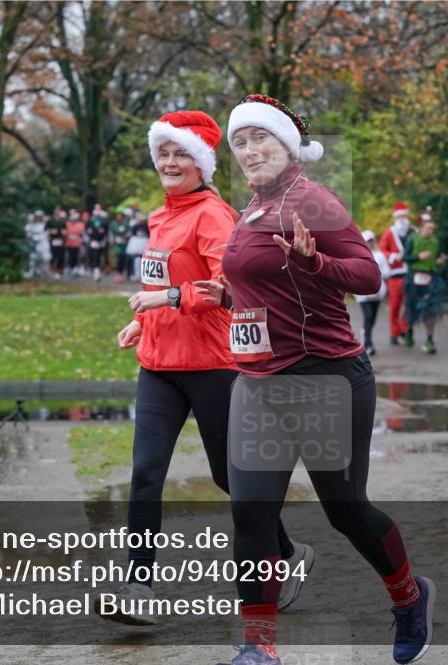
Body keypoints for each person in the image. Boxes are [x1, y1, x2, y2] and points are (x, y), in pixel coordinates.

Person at [198, 94, 435, 665]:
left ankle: (409, 598)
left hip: (325, 379)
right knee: (251, 511)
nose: (251, 150)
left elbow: (367, 275)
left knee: (346, 510)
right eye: (241, 142)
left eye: (261, 139)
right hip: (257, 383)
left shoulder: (312, 198)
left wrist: (315, 265)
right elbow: (266, 283)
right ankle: (260, 647)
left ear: (286, 144)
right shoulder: (253, 207)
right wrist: (231, 295)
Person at [103, 110, 310, 626]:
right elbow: (161, 288)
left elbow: (231, 290)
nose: (170, 163)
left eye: (181, 155)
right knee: (146, 474)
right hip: (160, 367)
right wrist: (145, 325)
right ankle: (140, 588)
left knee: (229, 478)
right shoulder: (158, 217)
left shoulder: (214, 216)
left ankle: (286, 554)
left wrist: (170, 297)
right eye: (164, 154)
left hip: (214, 367)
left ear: (201, 164)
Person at [403, 208, 447, 353]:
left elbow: (438, 258)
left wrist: (440, 261)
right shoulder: (412, 239)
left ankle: (429, 339)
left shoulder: (436, 241)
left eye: (432, 229)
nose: (430, 231)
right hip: (414, 277)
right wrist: (418, 257)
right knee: (411, 306)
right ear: (421, 226)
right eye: (428, 228)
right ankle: (409, 332)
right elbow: (405, 258)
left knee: (431, 308)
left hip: (431, 278)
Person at [378, 203, 413, 344]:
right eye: (400, 216)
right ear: (396, 218)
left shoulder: (413, 232)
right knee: (395, 305)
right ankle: (394, 333)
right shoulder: (389, 232)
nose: (403, 219)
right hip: (395, 274)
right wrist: (392, 256)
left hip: (410, 273)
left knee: (408, 305)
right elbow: (381, 249)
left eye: (405, 216)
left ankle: (405, 330)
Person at [355, 229, 390, 355]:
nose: (369, 243)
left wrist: (377, 271)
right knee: (368, 316)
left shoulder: (379, 255)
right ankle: (368, 345)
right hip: (363, 294)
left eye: (370, 241)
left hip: (377, 293)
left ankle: (365, 332)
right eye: (366, 241)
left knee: (372, 319)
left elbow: (387, 272)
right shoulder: (356, 255)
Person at [23, 210, 50, 278]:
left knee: (46, 258)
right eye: (37, 216)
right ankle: (31, 272)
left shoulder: (45, 225)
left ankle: (43, 272)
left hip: (43, 243)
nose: (38, 218)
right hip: (34, 244)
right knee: (33, 258)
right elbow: (27, 233)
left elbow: (47, 234)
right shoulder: (30, 225)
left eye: (39, 216)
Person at [85, 206, 109, 281]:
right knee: (94, 255)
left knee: (100, 256)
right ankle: (95, 270)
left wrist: (103, 235)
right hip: (93, 240)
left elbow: (106, 230)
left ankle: (97, 270)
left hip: (101, 241)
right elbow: (87, 230)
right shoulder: (90, 221)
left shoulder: (104, 221)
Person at [64, 208, 85, 277]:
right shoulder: (67, 224)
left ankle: (76, 268)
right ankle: (70, 268)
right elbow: (65, 233)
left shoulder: (81, 225)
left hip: (77, 244)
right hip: (69, 243)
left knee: (78, 256)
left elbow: (82, 234)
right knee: (70, 256)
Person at [47, 207, 66, 278]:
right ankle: (52, 268)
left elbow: (65, 229)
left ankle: (59, 270)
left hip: (60, 239)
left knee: (60, 255)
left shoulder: (62, 220)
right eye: (56, 211)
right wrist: (51, 231)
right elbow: (46, 229)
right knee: (53, 255)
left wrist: (64, 232)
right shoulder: (50, 220)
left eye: (58, 211)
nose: (57, 212)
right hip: (53, 239)